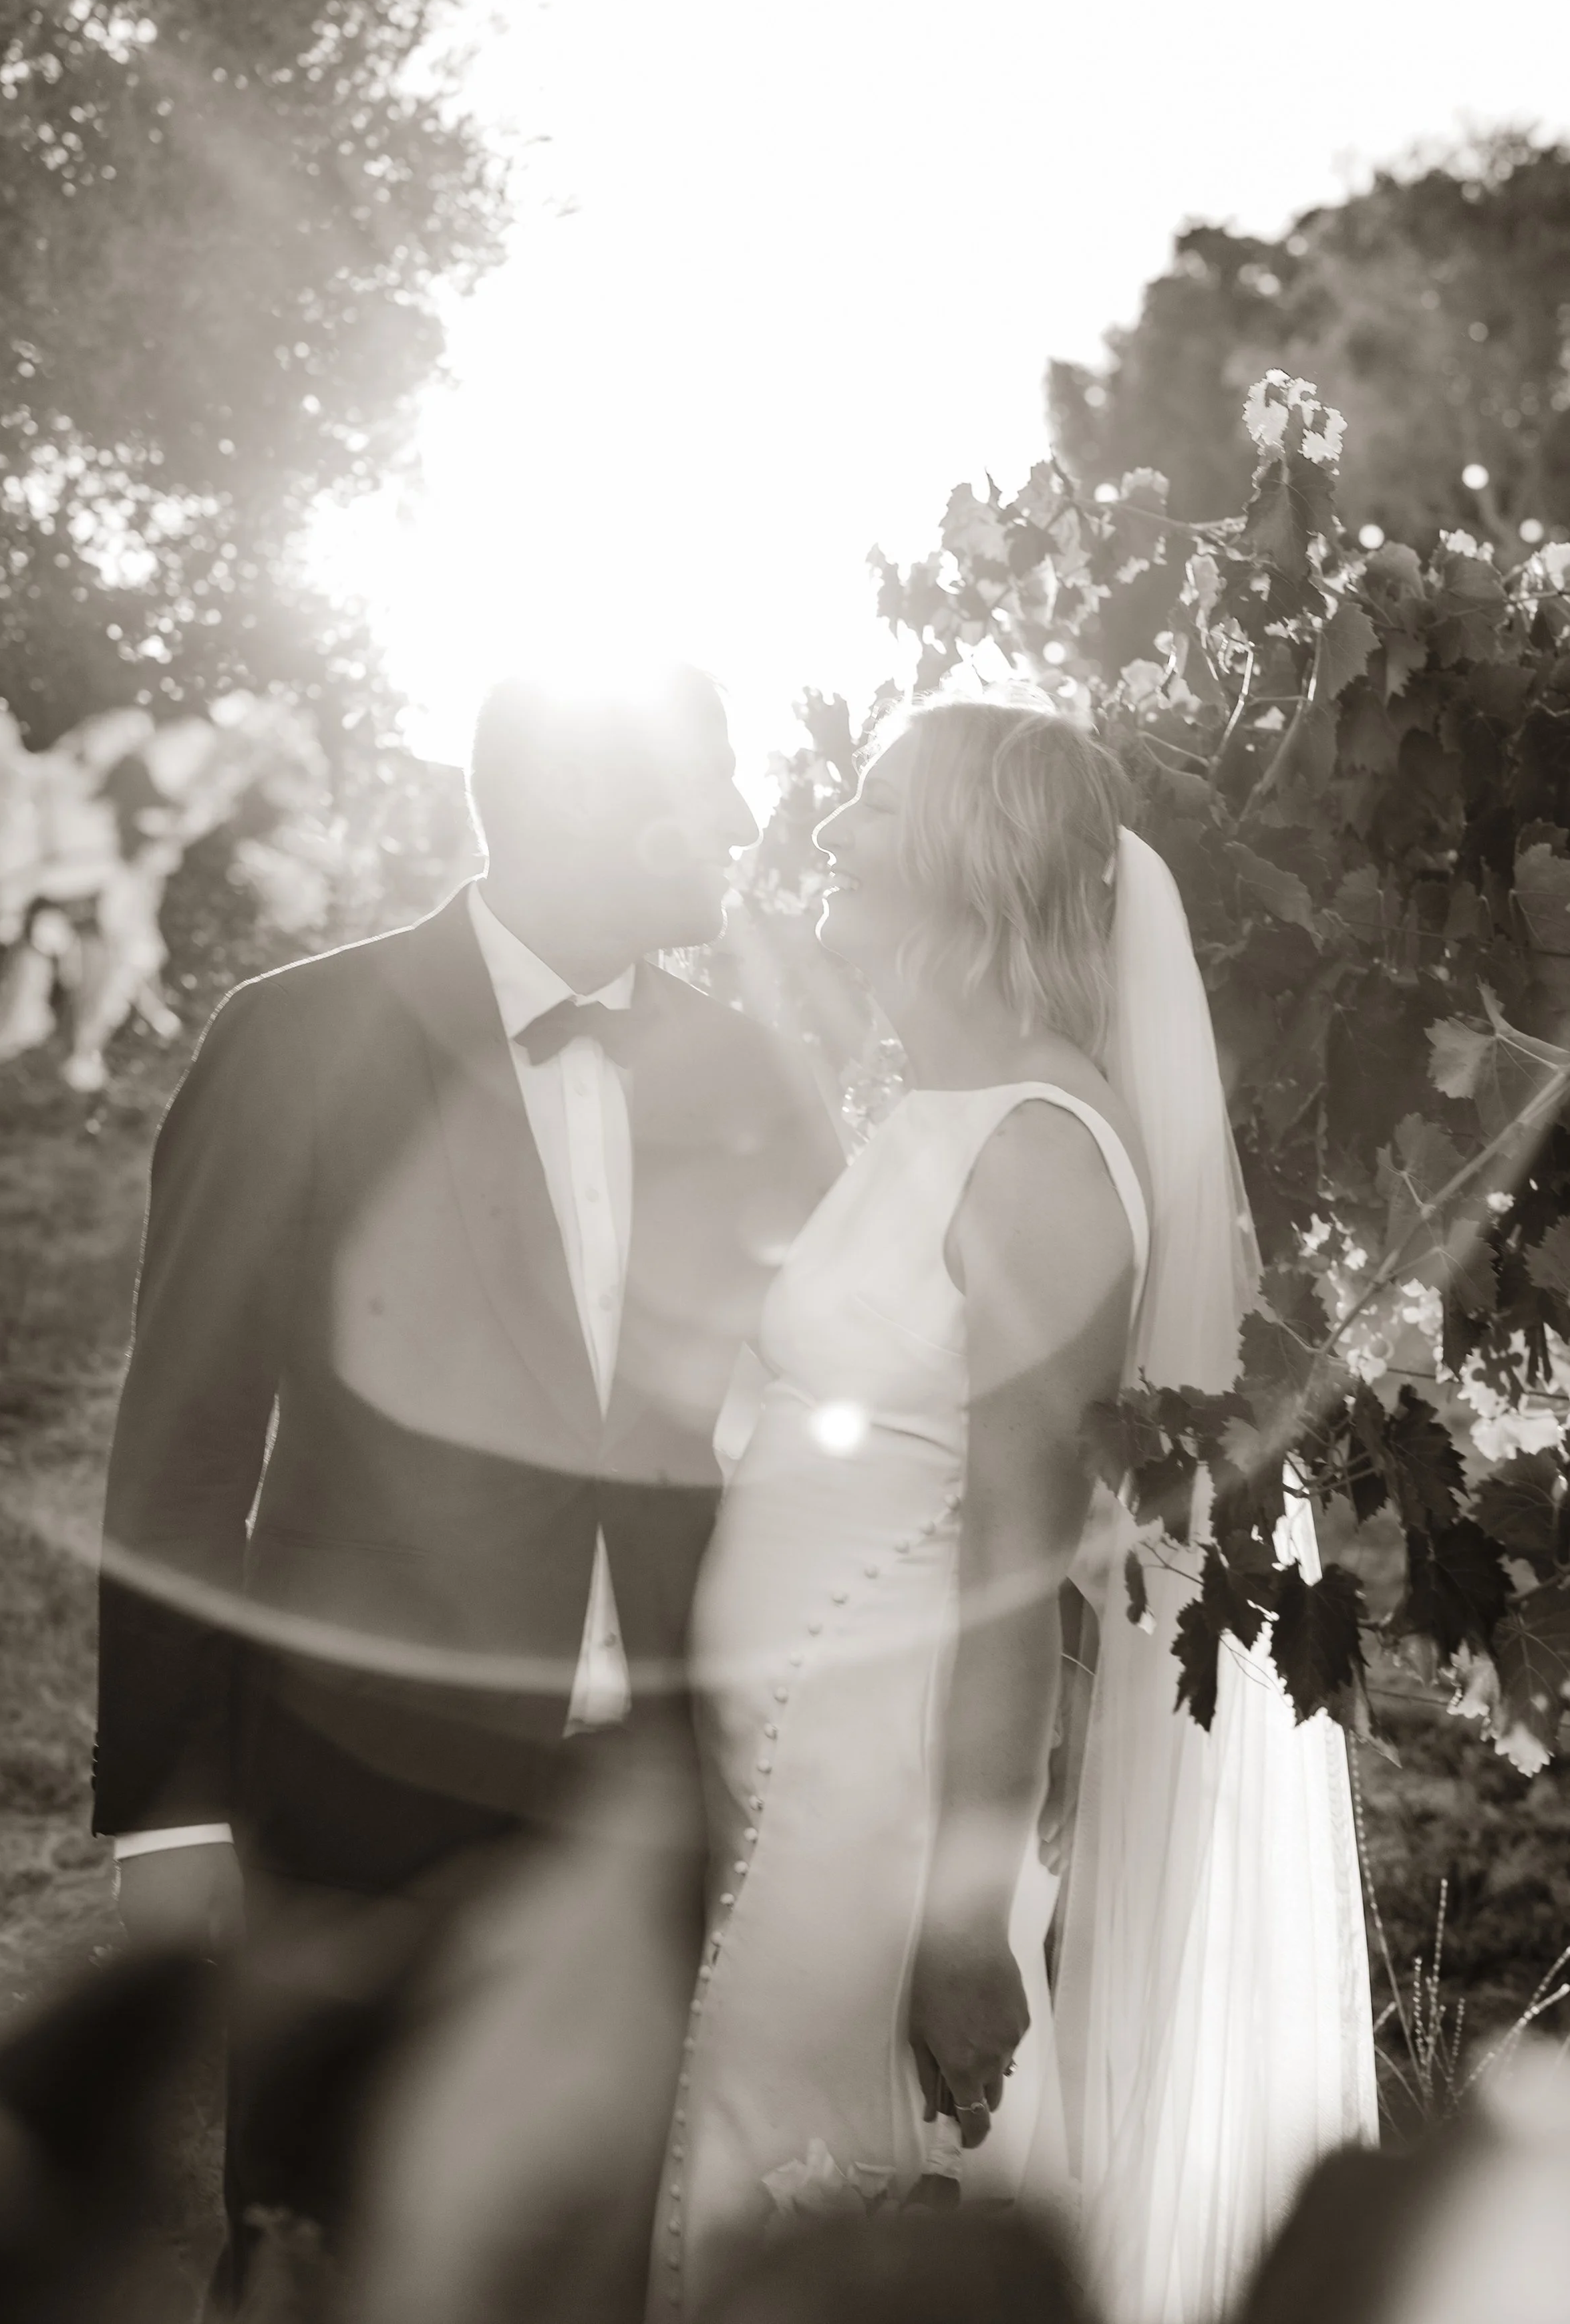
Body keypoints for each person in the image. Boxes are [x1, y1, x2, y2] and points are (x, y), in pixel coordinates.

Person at [92, 663, 842, 2291]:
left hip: (646, 1801)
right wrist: (166, 1822)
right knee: (318, 2244)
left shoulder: (750, 1076)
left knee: (578, 2264)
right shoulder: (293, 1041)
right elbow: (184, 1445)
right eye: (705, 785)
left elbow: (821, 1409)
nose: (733, 821)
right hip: (348, 1789)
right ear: (583, 804)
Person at [652, 699, 1376, 2323]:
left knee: (813, 2196)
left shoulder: (1041, 1149)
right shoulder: (932, 1119)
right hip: (798, 1772)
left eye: (875, 803)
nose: (830, 829)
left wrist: (965, 1920)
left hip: (889, 1799)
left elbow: (1008, 1557)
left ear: (976, 854)